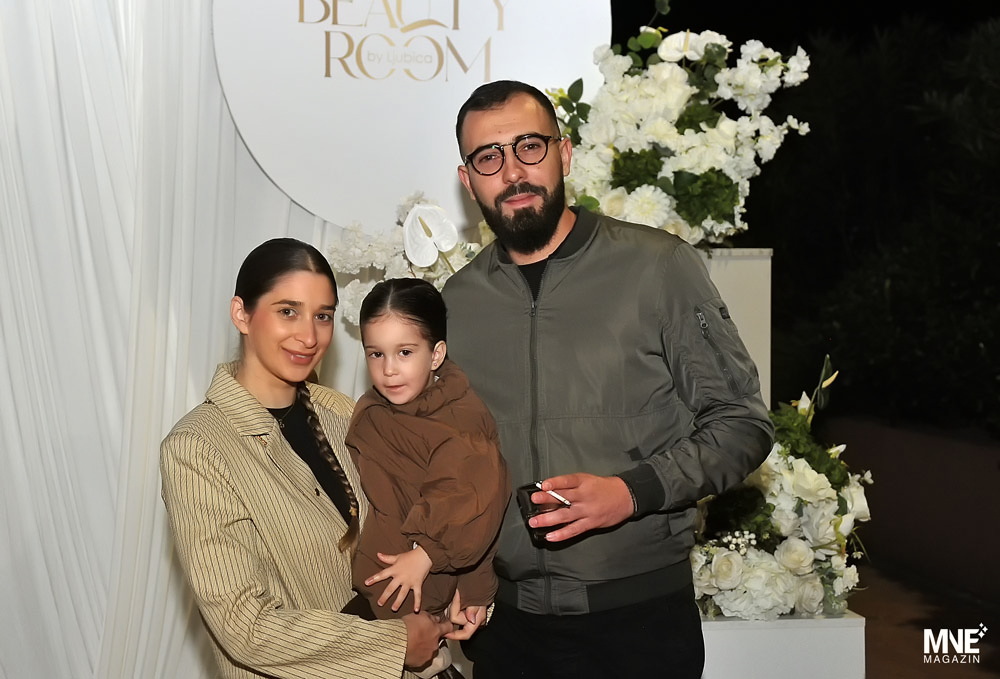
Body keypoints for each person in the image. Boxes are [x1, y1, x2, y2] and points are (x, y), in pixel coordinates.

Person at [441, 80, 775, 678]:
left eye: (530, 147)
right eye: (489, 157)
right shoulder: (458, 303)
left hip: (640, 623)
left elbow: (741, 424)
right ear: (468, 181)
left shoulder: (657, 267)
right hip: (508, 629)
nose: (513, 172)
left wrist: (632, 491)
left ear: (564, 153)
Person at [160, 238, 454, 679]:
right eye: (287, 311)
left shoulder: (346, 414)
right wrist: (395, 645)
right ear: (241, 314)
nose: (310, 336)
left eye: (323, 316)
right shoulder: (197, 449)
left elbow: (416, 518)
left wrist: (460, 593)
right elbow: (245, 625)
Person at [344, 277, 510, 678]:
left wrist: (429, 557)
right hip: (380, 595)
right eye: (376, 354)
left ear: (436, 354)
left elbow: (478, 504)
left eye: (405, 352)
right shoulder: (373, 410)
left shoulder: (459, 421)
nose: (389, 369)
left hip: (422, 593)